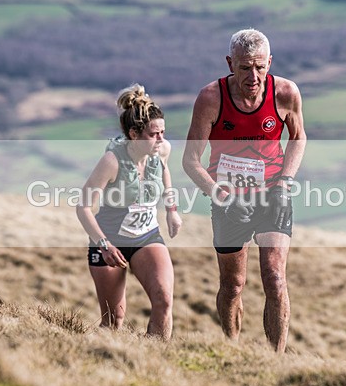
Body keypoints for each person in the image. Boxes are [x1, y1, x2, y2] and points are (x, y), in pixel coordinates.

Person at [183, 28, 306, 353]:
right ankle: (232, 347)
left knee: (274, 278)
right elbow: (190, 160)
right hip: (227, 201)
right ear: (229, 63)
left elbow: (298, 138)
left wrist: (284, 183)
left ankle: (274, 359)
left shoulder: (285, 93)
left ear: (270, 62)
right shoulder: (211, 98)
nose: (253, 76)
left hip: (272, 195)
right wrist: (220, 196)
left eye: (260, 67)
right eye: (244, 67)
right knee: (233, 285)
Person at [76, 84, 182, 340]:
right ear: (134, 134)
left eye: (163, 132)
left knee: (164, 302)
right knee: (114, 321)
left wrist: (171, 209)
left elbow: (164, 171)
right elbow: (83, 207)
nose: (161, 139)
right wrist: (103, 245)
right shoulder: (112, 162)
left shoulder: (162, 150)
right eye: (153, 134)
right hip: (110, 242)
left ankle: (154, 362)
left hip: (147, 237)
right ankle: (103, 361)